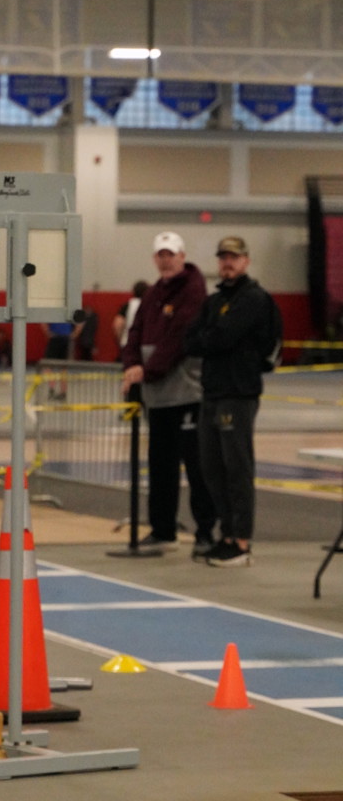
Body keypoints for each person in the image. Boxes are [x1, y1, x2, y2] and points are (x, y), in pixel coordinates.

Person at [187, 236, 282, 567]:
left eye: (234, 257)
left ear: (246, 261)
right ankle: (226, 535)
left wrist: (213, 338)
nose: (227, 262)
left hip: (238, 394)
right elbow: (192, 340)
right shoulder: (214, 301)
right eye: (223, 257)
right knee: (212, 468)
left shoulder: (254, 298)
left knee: (237, 468)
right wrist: (213, 338)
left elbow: (222, 337)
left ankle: (241, 540)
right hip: (212, 392)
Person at [121, 232, 216, 556]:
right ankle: (163, 531)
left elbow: (179, 338)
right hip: (158, 396)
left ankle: (206, 533)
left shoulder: (193, 291)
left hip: (188, 395)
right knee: (160, 466)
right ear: (154, 259)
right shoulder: (152, 293)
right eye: (160, 255)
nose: (165, 260)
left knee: (198, 468)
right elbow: (134, 333)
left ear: (182, 256)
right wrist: (131, 365)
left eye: (170, 254)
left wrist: (146, 371)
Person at [112, 280, 149, 354]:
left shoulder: (128, 305)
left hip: (128, 342)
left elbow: (118, 325)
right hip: (146, 344)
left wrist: (120, 340)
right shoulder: (151, 305)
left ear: (133, 291)